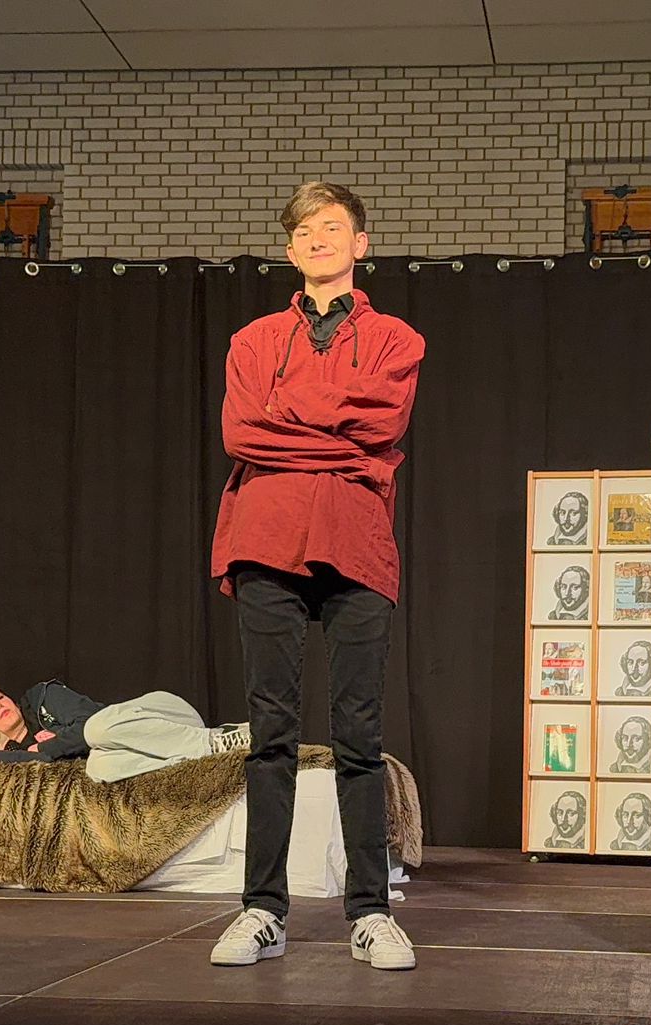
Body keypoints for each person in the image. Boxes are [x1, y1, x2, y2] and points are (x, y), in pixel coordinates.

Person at [207, 181, 423, 971]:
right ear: (290, 248)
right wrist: (342, 439)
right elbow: (242, 432)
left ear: (360, 244)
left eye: (333, 227)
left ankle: (370, 913)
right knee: (271, 735)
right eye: (304, 230)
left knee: (359, 735)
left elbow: (382, 422)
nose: (318, 239)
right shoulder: (253, 339)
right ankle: (262, 910)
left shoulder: (397, 338)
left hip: (355, 541)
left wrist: (288, 415)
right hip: (265, 537)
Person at [0, 681, 249, 779]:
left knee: (96, 729)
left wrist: (49, 748)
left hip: (168, 715)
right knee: (99, 768)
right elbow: (39, 760)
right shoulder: (15, 753)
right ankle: (216, 747)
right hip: (153, 749)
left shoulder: (42, 698)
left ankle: (212, 740)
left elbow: (91, 721)